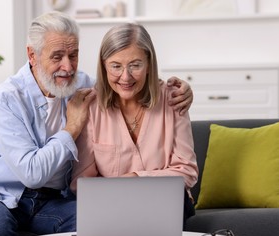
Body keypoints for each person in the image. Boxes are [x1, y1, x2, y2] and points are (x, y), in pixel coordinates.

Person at [0, 12, 194, 236]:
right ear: (32, 55)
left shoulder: (81, 85)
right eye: (57, 57)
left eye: (73, 55)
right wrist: (71, 128)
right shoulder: (6, 98)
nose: (68, 67)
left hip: (48, 201)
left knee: (100, 226)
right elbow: (32, 174)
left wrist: (177, 90)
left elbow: (123, 80)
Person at [70, 23, 199, 225]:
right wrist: (121, 193)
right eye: (116, 66)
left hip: (167, 205)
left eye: (135, 65)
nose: (125, 77)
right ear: (104, 66)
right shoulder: (92, 107)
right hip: (112, 207)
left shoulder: (174, 99)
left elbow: (187, 171)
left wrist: (135, 178)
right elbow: (81, 183)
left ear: (149, 64)